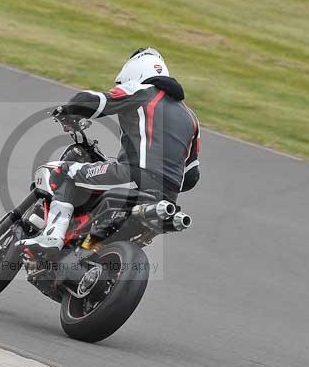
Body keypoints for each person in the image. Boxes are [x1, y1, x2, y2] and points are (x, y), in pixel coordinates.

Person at [20, 48, 201, 252]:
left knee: (64, 172)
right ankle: (87, 250)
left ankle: (52, 237)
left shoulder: (142, 91)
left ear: (134, 71)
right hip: (167, 198)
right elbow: (191, 175)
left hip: (134, 175)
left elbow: (95, 101)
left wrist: (70, 109)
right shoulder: (191, 118)